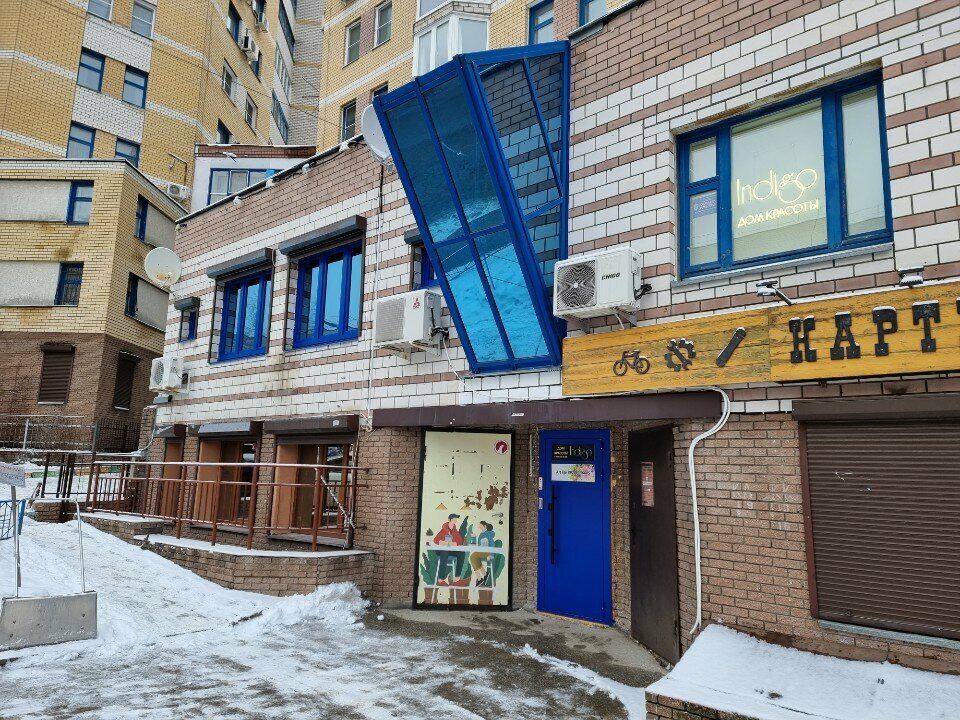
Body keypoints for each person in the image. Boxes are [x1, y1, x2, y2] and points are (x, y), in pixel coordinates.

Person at [432, 513, 467, 586]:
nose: (455, 520)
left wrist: (454, 543)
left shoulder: (454, 530)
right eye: (454, 518)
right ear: (450, 520)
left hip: (449, 550)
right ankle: (440, 580)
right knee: (445, 552)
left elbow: (460, 540)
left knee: (462, 553)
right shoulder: (444, 529)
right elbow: (435, 540)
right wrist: (443, 543)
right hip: (440, 550)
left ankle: (457, 579)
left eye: (456, 518)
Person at [469, 521, 496, 586]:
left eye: (480, 525)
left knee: (472, 557)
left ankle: (479, 579)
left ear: (485, 526)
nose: (479, 527)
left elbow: (492, 544)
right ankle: (484, 574)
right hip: (481, 551)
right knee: (474, 558)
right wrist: (474, 537)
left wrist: (491, 554)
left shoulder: (488, 533)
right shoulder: (481, 534)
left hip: (487, 552)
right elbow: (479, 545)